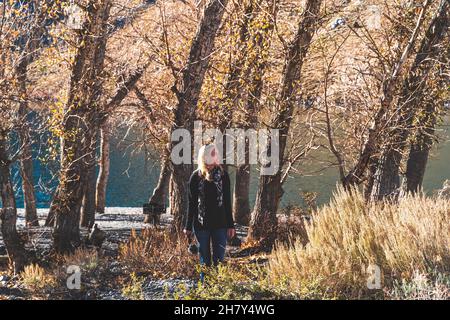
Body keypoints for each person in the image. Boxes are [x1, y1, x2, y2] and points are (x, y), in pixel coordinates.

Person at [183, 143, 235, 277]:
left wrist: (231, 225)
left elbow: (227, 202)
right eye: (208, 158)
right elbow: (192, 203)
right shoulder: (196, 177)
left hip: (220, 224)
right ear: (203, 158)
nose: (211, 163)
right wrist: (188, 227)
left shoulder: (223, 176)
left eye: (214, 156)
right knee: (204, 261)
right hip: (201, 225)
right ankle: (204, 290)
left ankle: (217, 290)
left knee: (219, 260)